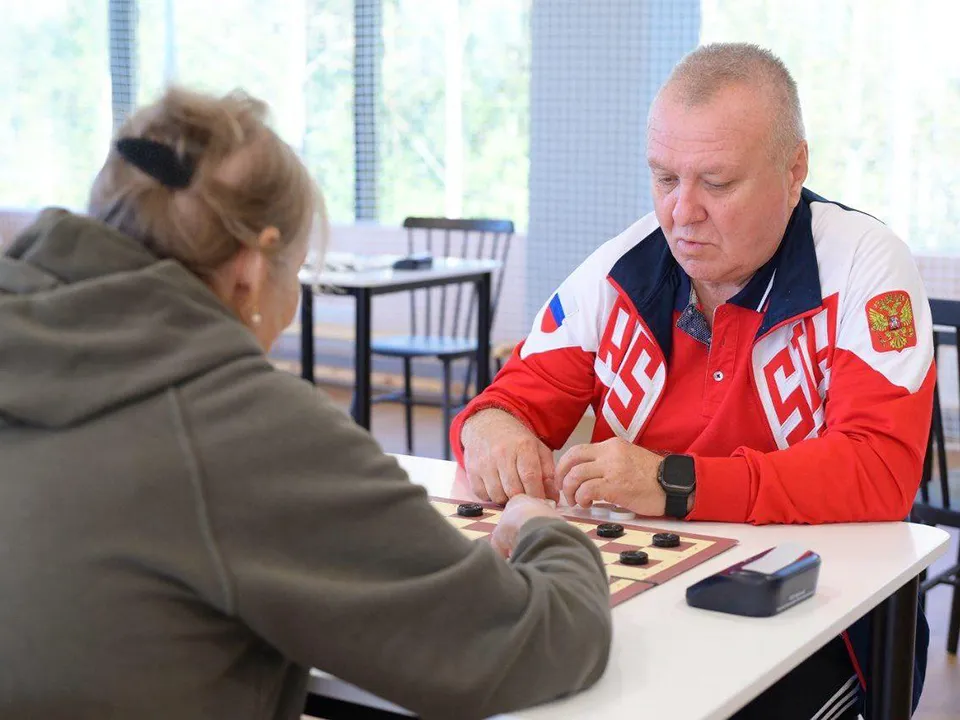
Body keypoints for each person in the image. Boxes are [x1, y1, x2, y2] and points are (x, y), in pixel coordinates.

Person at [0, 86, 613, 720]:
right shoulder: (244, 427)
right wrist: (544, 531)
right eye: (296, 271)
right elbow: (530, 644)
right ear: (251, 268)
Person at [451, 42, 935, 719]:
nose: (682, 212)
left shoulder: (864, 265)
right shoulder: (619, 269)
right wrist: (493, 433)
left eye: (717, 182)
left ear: (794, 169)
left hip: (828, 617)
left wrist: (673, 483)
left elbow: (879, 471)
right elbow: (503, 405)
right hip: (647, 600)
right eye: (664, 178)